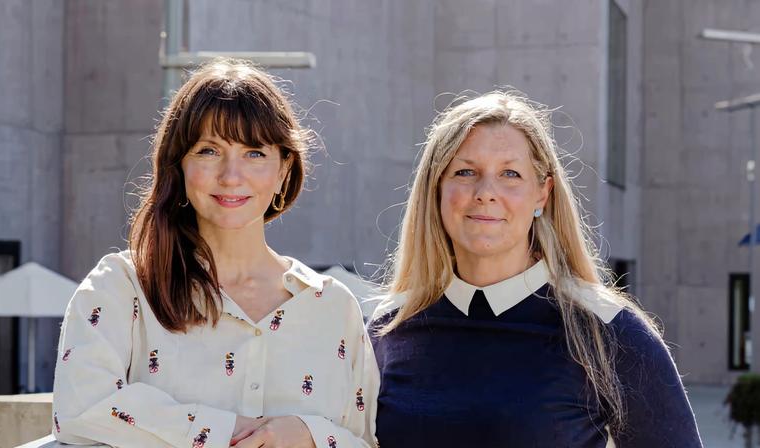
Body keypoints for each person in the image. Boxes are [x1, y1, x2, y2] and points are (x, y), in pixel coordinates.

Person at [52, 59, 378, 448]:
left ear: (284, 171)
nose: (230, 176)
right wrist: (231, 432)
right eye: (209, 150)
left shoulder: (334, 306)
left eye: (254, 153)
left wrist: (309, 436)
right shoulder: (121, 288)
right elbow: (80, 409)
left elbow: (365, 439)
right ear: (179, 165)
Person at [369, 91, 703, 447]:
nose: (486, 192)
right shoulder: (388, 328)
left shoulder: (609, 331)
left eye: (510, 174)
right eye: (465, 172)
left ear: (542, 194)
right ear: (436, 188)